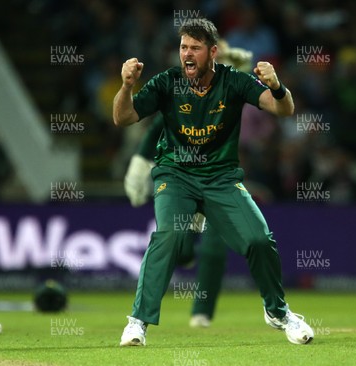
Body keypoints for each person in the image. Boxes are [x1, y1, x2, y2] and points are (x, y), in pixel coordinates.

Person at [113, 18, 313, 346]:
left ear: (213, 52)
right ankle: (138, 322)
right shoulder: (167, 82)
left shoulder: (233, 82)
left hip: (221, 178)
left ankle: (278, 312)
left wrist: (277, 86)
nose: (187, 54)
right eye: (183, 48)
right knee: (171, 235)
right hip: (175, 176)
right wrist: (126, 86)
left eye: (195, 48)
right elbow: (122, 118)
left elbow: (283, 109)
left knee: (260, 240)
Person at [123, 40, 253, 329]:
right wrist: (141, 162)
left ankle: (201, 311)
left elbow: (249, 88)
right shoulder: (183, 88)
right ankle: (184, 256)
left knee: (214, 247)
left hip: (220, 175)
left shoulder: (230, 82)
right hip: (183, 175)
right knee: (178, 243)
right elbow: (160, 125)